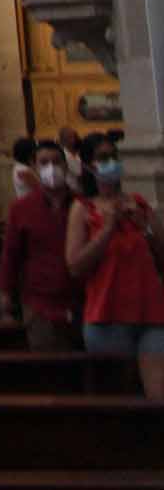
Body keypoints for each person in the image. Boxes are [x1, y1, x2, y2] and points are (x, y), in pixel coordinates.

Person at [65, 136, 164, 393]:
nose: (111, 163)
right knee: (122, 399)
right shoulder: (82, 208)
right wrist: (107, 228)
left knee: (158, 396)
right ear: (88, 166)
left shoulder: (139, 203)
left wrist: (146, 228)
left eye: (114, 156)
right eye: (103, 158)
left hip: (151, 311)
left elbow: (162, 255)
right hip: (107, 316)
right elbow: (75, 266)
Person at [0, 137, 80, 350]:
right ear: (35, 166)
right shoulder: (21, 209)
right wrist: (5, 298)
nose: (51, 168)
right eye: (44, 163)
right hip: (39, 302)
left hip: (81, 300)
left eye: (56, 162)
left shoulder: (81, 205)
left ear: (65, 165)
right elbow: (11, 254)